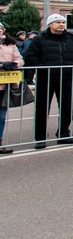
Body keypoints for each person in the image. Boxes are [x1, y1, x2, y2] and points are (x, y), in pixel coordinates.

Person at [26, 14, 73, 148]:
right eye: (58, 22)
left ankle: (63, 134)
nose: (61, 24)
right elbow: (30, 56)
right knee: (42, 109)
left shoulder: (72, 39)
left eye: (63, 22)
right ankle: (40, 137)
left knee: (66, 107)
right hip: (45, 79)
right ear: (50, 25)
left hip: (66, 78)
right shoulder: (39, 39)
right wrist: (42, 68)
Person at [0, 22, 25, 154]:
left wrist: (15, 64)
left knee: (1, 115)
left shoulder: (10, 43)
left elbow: (20, 59)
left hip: (5, 84)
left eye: (0, 28)